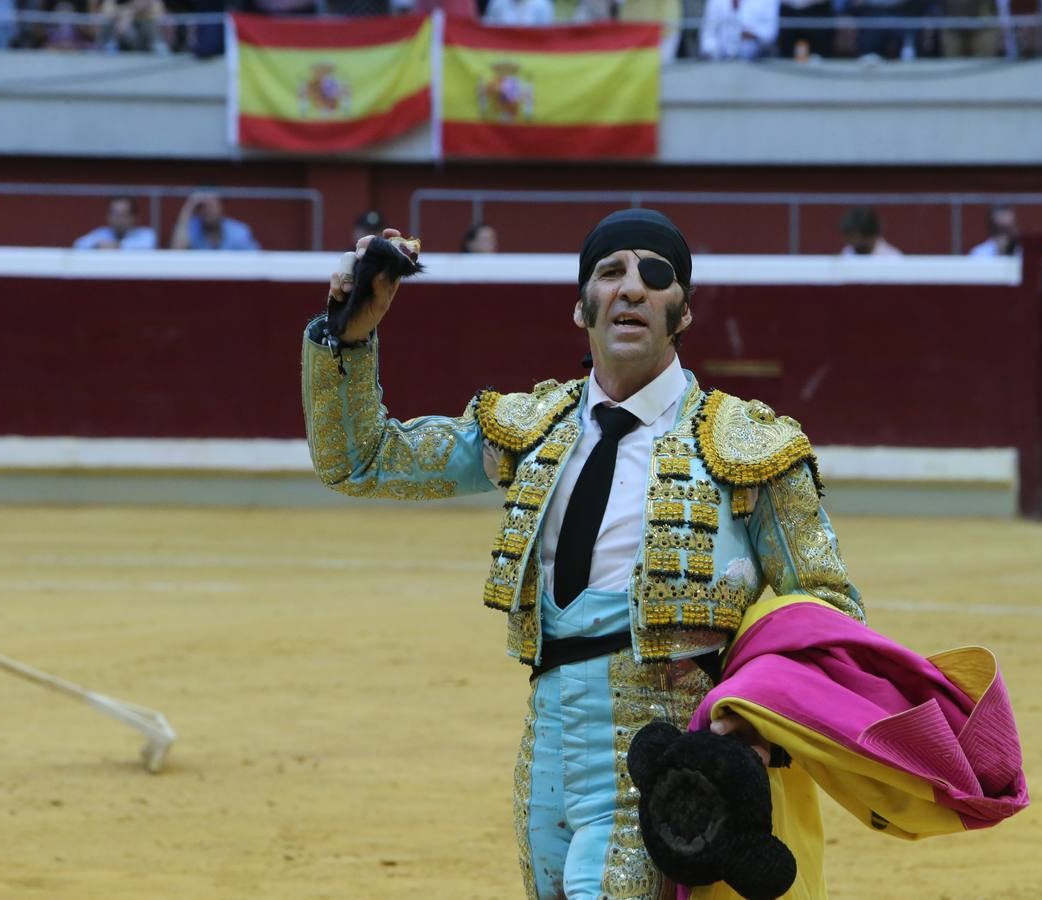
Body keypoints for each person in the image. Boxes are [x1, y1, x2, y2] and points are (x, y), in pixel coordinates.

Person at [301, 208, 864, 899]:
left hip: (664, 757)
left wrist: (748, 719)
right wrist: (348, 336)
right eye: (610, 272)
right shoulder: (531, 428)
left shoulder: (750, 448)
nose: (631, 289)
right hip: (545, 756)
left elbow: (832, 616)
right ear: (581, 308)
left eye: (656, 277)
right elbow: (360, 462)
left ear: (682, 314)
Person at [169, 190, 260, 251]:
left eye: (212, 205)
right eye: (204, 206)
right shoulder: (192, 228)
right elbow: (176, 251)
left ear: (221, 206)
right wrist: (189, 206)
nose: (208, 211)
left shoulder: (238, 232)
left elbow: (255, 260)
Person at [697, 0, 779, 61]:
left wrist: (754, 34)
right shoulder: (714, 1)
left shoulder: (769, 1)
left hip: (755, 61)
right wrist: (711, 51)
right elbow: (708, 32)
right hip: (720, 61)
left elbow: (771, 32)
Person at [72, 196, 157, 250]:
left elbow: (147, 246)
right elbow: (78, 244)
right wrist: (97, 246)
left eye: (123, 214)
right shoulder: (101, 233)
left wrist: (118, 246)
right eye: (114, 214)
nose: (118, 219)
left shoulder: (146, 234)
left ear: (134, 218)